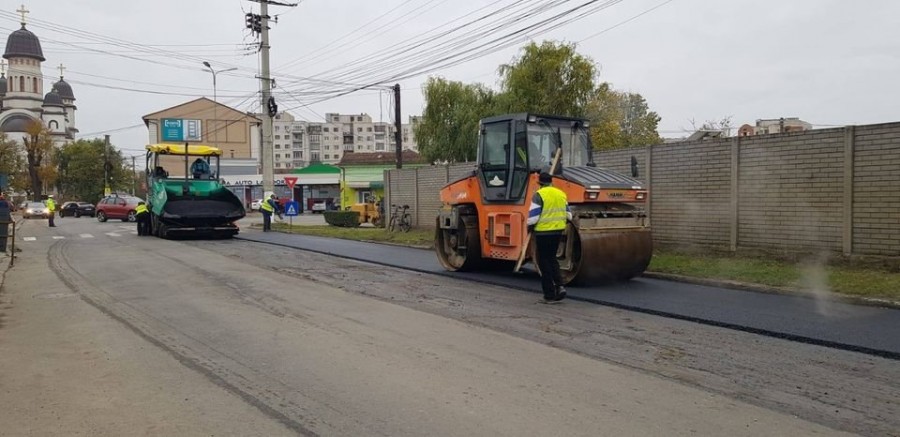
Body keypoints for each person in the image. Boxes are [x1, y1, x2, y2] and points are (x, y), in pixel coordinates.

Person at [527, 171, 572, 303]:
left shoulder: (539, 195)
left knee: (544, 262)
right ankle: (560, 286)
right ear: (551, 182)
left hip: (543, 233)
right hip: (557, 231)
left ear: (539, 183)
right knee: (552, 259)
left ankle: (549, 295)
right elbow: (569, 215)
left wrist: (529, 226)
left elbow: (533, 217)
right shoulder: (561, 194)